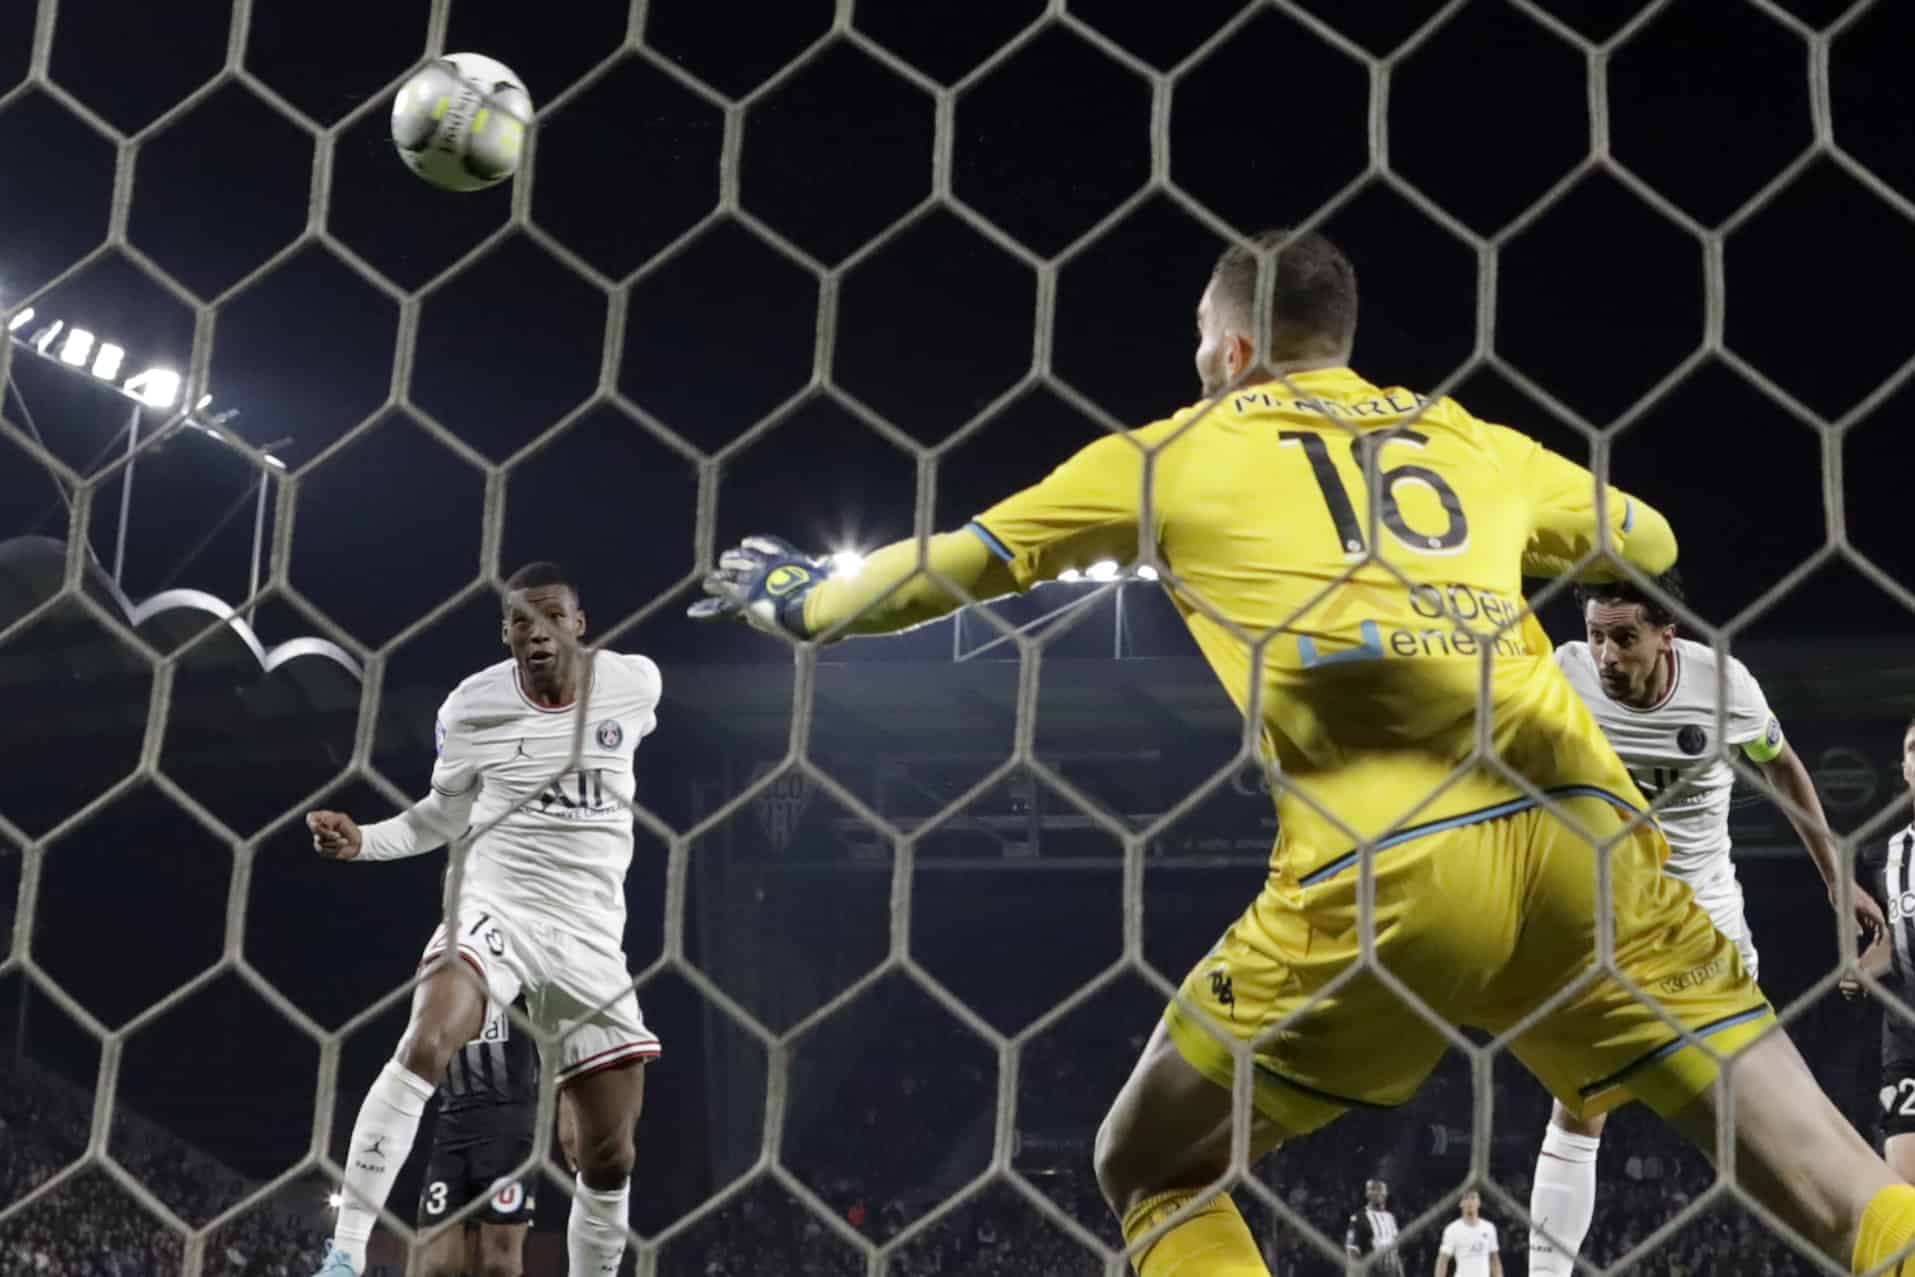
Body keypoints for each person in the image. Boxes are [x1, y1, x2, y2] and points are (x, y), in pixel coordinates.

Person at [689, 226, 1915, 1276]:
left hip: (1394, 870)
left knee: (1148, 1163)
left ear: (1229, 351)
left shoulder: (1174, 450)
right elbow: (1645, 535)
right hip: (1594, 855)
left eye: (1196, 347)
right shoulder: (1469, 440)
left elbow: (961, 564)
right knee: (1847, 1193)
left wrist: (795, 599)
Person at [306, 562, 663, 1277]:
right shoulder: (472, 707)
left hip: (590, 935)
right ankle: (343, 1254)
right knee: (429, 1033)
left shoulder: (634, 684)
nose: (537, 632)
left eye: (552, 616)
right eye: (521, 621)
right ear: (505, 633)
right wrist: (365, 839)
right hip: (495, 904)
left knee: (609, 1153)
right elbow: (441, 815)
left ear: (578, 622)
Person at [1526, 572, 1886, 1275]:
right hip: (1605, 932)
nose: (1605, 654)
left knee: (1771, 1127)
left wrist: (1833, 875)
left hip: (1705, 935)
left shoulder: (1722, 686)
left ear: (1668, 633)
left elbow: (1779, 763)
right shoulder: (1561, 674)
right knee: (1577, 1106)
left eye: (1624, 637)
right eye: (1597, 635)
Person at [416, 1005, 540, 1277]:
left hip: (508, 1123)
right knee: (436, 1264)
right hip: (451, 1123)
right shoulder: (438, 971)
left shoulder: (523, 971)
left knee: (499, 1263)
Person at [1845, 716, 1915, 1182]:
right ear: (1905, 768)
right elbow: (1892, 937)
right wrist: (1862, 968)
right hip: (1908, 1041)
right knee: (1905, 1197)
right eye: (1912, 749)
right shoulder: (1883, 854)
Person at [1345, 1179, 1405, 1276]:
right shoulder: (1358, 1218)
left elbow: (1396, 1253)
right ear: (1366, 1193)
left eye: (1380, 1189)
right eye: (1372, 1189)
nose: (1377, 1192)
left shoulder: (1391, 1218)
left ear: (1386, 1192)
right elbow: (1352, 1253)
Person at [1435, 1190, 1500, 1277]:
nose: (1470, 1202)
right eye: (1466, 1198)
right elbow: (1442, 1261)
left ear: (1479, 1202)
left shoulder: (1489, 1228)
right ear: (1460, 1203)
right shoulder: (1452, 1230)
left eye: (1473, 1197)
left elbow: (1494, 1260)